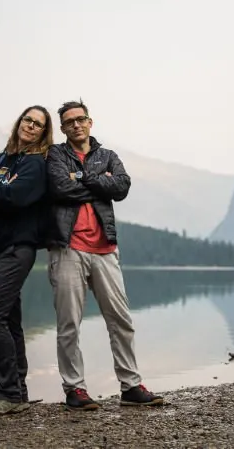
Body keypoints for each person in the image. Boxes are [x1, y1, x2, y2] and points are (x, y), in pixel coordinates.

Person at [45, 99, 164, 411]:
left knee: (121, 320)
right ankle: (75, 390)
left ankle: (131, 386)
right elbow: (59, 188)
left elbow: (122, 186)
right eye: (69, 121)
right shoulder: (56, 155)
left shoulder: (108, 155)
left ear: (90, 122)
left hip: (105, 250)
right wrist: (101, 183)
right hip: (67, 248)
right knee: (69, 323)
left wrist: (81, 178)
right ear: (63, 128)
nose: (76, 125)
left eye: (80, 119)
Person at [0, 105, 53, 415]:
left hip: (17, 249)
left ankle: (7, 392)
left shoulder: (35, 165)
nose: (30, 126)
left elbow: (16, 196)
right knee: (9, 320)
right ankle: (18, 390)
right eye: (27, 120)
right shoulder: (2, 159)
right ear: (20, 122)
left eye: (38, 125)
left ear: (44, 133)